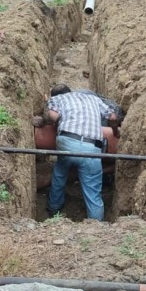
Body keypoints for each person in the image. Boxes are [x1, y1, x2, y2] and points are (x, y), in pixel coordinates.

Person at [43, 86, 117, 221]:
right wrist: (115, 131)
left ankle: (53, 210)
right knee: (93, 190)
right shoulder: (94, 99)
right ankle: (96, 225)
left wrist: (51, 121)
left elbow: (53, 116)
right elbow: (112, 116)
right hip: (92, 148)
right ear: (70, 91)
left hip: (67, 142)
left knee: (60, 172)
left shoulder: (57, 98)